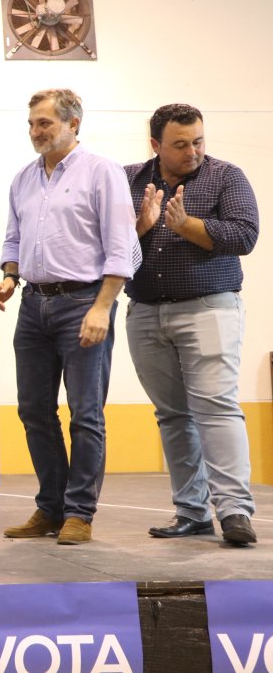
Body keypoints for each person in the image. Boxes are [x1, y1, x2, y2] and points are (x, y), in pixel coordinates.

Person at [0, 89, 139, 545]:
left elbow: (121, 247)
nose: (36, 132)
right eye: (32, 124)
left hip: (84, 302)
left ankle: (79, 513)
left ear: (74, 124)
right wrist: (10, 277)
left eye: (45, 123)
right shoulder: (23, 179)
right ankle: (50, 508)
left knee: (85, 413)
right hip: (33, 304)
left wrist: (102, 306)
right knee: (34, 410)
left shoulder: (102, 172)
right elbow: (14, 239)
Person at [123, 104, 260, 546]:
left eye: (198, 140)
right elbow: (106, 242)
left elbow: (244, 235)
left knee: (216, 408)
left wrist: (188, 226)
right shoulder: (129, 179)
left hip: (209, 308)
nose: (193, 151)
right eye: (180, 144)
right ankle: (192, 512)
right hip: (145, 312)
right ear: (155, 145)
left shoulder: (226, 177)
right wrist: (140, 227)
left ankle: (235, 511)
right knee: (173, 416)